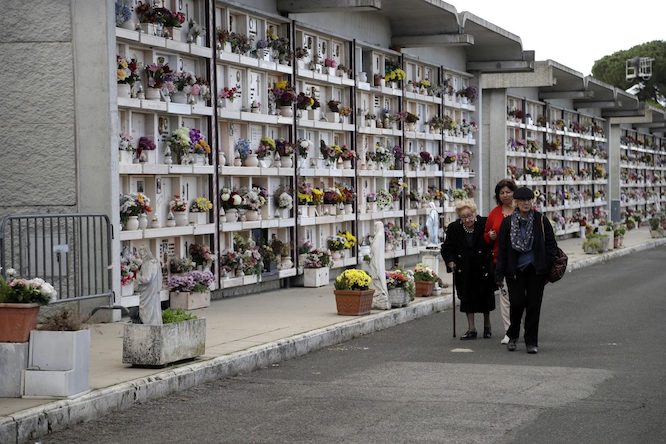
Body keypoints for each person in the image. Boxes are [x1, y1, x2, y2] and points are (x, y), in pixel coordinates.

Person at [495, 187, 558, 354]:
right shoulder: (508, 222)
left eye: (529, 200)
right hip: (514, 270)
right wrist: (499, 273)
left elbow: (551, 245)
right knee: (516, 303)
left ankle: (531, 341)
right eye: (522, 200)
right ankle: (513, 335)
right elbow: (502, 250)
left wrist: (546, 263)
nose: (526, 203)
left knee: (533, 305)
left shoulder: (541, 220)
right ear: (516, 202)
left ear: (533, 201)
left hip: (536, 270)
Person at [442, 199, 496, 340]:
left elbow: (492, 241)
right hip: (464, 267)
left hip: (482, 265)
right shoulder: (454, 228)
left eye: (470, 216)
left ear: (474, 213)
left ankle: (487, 326)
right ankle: (471, 328)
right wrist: (450, 261)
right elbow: (447, 247)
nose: (467, 219)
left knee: (485, 297)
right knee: (466, 298)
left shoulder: (484, 223)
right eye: (463, 217)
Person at [483, 179, 517, 345]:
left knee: (521, 297)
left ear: (513, 192)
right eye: (502, 193)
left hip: (520, 260)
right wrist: (490, 236)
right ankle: (509, 331)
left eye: (508, 192)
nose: (505, 195)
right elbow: (485, 234)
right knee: (505, 297)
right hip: (500, 260)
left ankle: (523, 328)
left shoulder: (521, 209)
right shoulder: (495, 213)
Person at [369, 221, 390, 310]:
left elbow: (374, 248)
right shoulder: (380, 235)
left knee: (377, 278)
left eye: (375, 226)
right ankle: (379, 296)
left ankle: (380, 296)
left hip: (376, 261)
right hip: (376, 260)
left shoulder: (379, 236)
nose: (374, 228)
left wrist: (371, 242)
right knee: (376, 279)